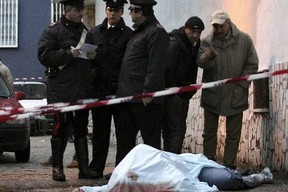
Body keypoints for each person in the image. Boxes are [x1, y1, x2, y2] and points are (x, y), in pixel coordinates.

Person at [38, 0, 101, 181]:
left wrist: (93, 57)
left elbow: (93, 64)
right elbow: (44, 56)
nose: (82, 13)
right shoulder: (52, 31)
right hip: (61, 91)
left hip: (82, 90)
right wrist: (67, 54)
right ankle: (57, 169)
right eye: (79, 10)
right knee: (60, 129)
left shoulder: (85, 32)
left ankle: (84, 168)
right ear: (68, 11)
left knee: (81, 131)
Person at [197, 10, 259, 169]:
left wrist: (242, 85)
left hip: (235, 94)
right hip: (213, 94)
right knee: (209, 133)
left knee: (233, 134)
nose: (217, 29)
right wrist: (207, 57)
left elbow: (252, 64)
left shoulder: (244, 40)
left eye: (220, 25)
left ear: (228, 23)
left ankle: (229, 165)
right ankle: (209, 164)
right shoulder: (207, 41)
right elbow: (200, 63)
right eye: (215, 26)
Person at [72, 144, 273, 192]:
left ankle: (252, 175)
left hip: (191, 167)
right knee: (228, 180)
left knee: (226, 177)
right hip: (190, 173)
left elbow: (183, 181)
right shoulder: (124, 181)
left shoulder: (132, 171)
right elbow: (106, 189)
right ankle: (258, 177)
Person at [115, 0, 169, 165]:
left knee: (150, 143)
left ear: (140, 12)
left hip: (144, 100)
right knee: (124, 141)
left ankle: (152, 175)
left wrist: (149, 91)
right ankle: (122, 174)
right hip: (128, 97)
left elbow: (156, 65)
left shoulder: (156, 33)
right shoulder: (138, 32)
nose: (129, 13)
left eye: (131, 9)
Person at [84, 0, 133, 179]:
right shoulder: (94, 33)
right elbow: (86, 63)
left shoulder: (128, 34)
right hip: (100, 90)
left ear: (122, 12)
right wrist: (90, 58)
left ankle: (121, 169)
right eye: (110, 10)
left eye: (116, 10)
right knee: (99, 133)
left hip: (121, 91)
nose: (112, 14)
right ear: (106, 11)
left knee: (123, 134)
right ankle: (96, 168)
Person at [162, 16, 204, 154]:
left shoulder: (195, 44)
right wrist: (174, 90)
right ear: (185, 29)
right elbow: (168, 69)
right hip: (173, 93)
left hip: (184, 92)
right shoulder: (174, 43)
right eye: (192, 31)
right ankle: (172, 159)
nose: (195, 35)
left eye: (198, 33)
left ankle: (174, 158)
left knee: (179, 129)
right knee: (174, 130)